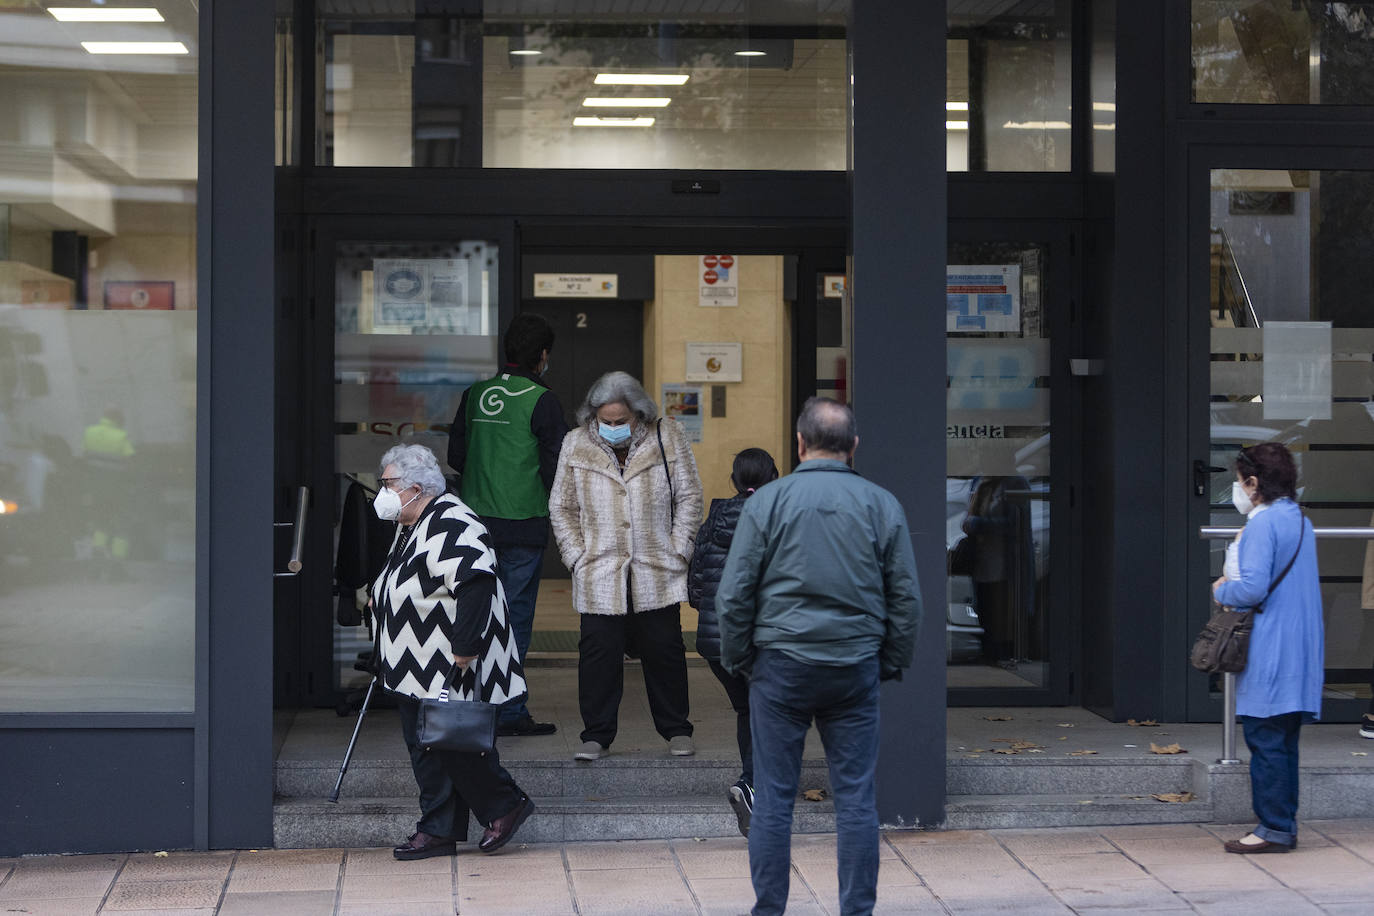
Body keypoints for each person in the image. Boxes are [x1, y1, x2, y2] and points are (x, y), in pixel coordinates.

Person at [716, 397, 922, 916]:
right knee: (855, 799)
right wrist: (888, 661)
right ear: (853, 447)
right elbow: (907, 599)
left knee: (774, 798)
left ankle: (769, 910)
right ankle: (857, 910)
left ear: (800, 444)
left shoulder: (767, 503)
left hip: (780, 666)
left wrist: (744, 660)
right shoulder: (882, 504)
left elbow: (734, 594)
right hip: (854, 666)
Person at [371, 444, 536, 860]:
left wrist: (464, 648)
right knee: (427, 745)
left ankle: (506, 805)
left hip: (448, 659)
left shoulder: (454, 520)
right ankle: (438, 829)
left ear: (415, 487)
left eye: (388, 483)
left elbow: (475, 582)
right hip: (414, 662)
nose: (382, 492)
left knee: (455, 743)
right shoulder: (413, 522)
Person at [549, 371, 704, 762]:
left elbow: (689, 495)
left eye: (622, 421)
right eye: (607, 421)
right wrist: (576, 555)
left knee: (664, 649)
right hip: (599, 569)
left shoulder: (667, 436)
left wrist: (679, 548)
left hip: (657, 566)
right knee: (598, 653)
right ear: (593, 414)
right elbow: (561, 507)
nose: (614, 428)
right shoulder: (575, 443)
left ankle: (676, 729)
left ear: (639, 413)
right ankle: (596, 734)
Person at [448, 313, 568, 737]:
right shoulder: (542, 400)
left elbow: (456, 458)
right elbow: (560, 468)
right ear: (541, 355)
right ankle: (510, 711)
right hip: (522, 523)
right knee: (513, 617)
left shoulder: (475, 393)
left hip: (472, 526)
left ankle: (468, 706)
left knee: (470, 612)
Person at [1212, 442, 1322, 854]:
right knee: (1285, 741)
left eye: (1240, 481)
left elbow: (1253, 587)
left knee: (1265, 738)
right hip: (1301, 645)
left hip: (1271, 646)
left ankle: (1273, 828)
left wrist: (1222, 589)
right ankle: (1283, 823)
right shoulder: (1299, 519)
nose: (1239, 489)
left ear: (1254, 483)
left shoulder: (1262, 525)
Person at [687, 447, 779, 837]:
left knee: (748, 711)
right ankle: (753, 786)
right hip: (761, 640)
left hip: (717, 643)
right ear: (775, 477)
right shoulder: (780, 520)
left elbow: (694, 589)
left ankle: (755, 787)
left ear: (734, 481)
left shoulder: (714, 521)